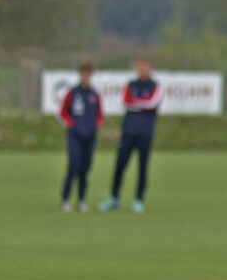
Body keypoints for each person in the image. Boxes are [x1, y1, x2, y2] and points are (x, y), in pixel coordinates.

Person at [99, 58, 162, 213]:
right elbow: (124, 101)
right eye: (140, 67)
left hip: (145, 133)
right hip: (128, 132)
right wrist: (141, 103)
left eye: (145, 67)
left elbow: (152, 103)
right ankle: (114, 197)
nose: (142, 70)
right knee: (120, 164)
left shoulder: (155, 86)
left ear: (150, 68)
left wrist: (136, 103)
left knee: (142, 167)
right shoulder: (130, 84)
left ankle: (138, 200)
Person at [57, 60, 103, 212]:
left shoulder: (94, 94)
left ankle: (81, 200)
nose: (86, 75)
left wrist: (95, 126)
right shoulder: (72, 92)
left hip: (89, 136)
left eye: (88, 72)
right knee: (74, 166)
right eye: (83, 72)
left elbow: (99, 115)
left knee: (85, 168)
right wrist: (73, 125)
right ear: (80, 73)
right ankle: (65, 199)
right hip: (75, 136)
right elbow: (63, 113)